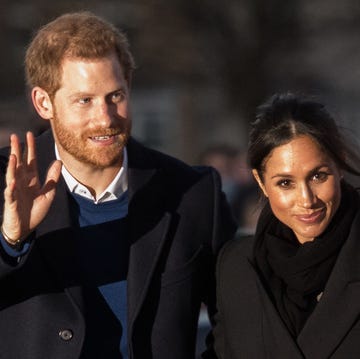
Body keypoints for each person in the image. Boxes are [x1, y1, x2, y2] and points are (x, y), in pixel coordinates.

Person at [0, 12, 237, 359]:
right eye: (85, 100)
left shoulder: (191, 193)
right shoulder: (4, 184)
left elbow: (236, 321)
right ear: (43, 102)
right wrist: (9, 243)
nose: (106, 118)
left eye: (115, 96)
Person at [213, 92, 360, 358]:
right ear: (261, 182)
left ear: (339, 165)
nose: (307, 199)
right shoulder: (237, 266)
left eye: (318, 176)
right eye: (285, 183)